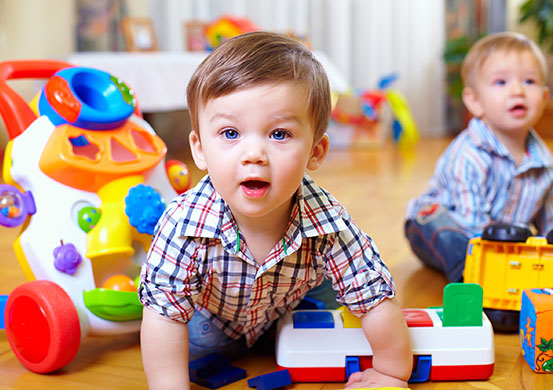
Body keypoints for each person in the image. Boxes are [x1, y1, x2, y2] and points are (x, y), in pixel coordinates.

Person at [139, 31, 412, 389]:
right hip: (211, 326)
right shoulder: (183, 222)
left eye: (279, 134)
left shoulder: (329, 220)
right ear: (199, 149)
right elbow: (164, 314)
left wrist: (391, 372)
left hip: (291, 309)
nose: (253, 154)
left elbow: (375, 298)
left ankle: (294, 330)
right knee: (185, 337)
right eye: (230, 133)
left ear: (316, 152)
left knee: (335, 305)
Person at [405, 31, 553, 283]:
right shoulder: (468, 155)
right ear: (474, 101)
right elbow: (470, 223)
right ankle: (469, 276)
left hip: (504, 241)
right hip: (443, 225)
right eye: (501, 83)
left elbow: (547, 218)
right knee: (449, 235)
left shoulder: (544, 162)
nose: (517, 90)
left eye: (529, 81)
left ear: (544, 98)